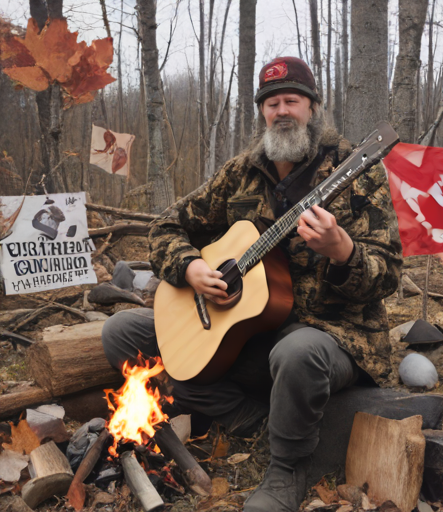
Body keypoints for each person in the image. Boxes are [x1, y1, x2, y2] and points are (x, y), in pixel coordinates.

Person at [102, 56, 402, 512]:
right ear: (262, 112)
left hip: (331, 338)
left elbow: (388, 272)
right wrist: (188, 268)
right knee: (122, 333)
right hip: (250, 336)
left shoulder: (353, 172)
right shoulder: (241, 171)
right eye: (272, 103)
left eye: (292, 100)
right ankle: (252, 418)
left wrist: (343, 251)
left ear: (314, 107)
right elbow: (166, 224)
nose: (282, 111)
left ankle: (287, 468)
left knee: (297, 351)